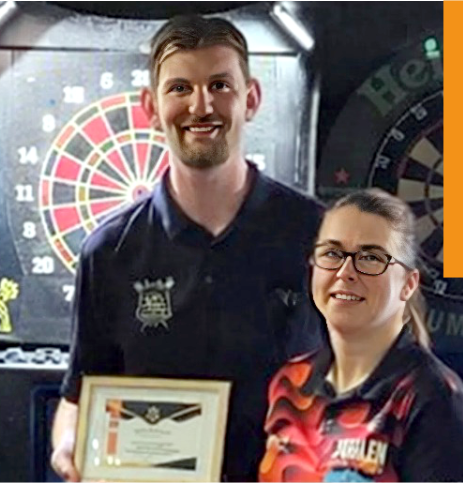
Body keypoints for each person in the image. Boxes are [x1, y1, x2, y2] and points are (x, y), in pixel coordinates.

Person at [49, 15, 327, 482]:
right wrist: (70, 443)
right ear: (151, 107)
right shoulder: (110, 252)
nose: (201, 106)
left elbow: (372, 378)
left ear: (251, 99)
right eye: (180, 88)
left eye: (220, 85)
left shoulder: (320, 236)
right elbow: (79, 397)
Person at [260, 189, 463, 483]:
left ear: (408, 284)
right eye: (331, 253)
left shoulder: (434, 401)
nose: (345, 272)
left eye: (370, 258)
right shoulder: (289, 383)